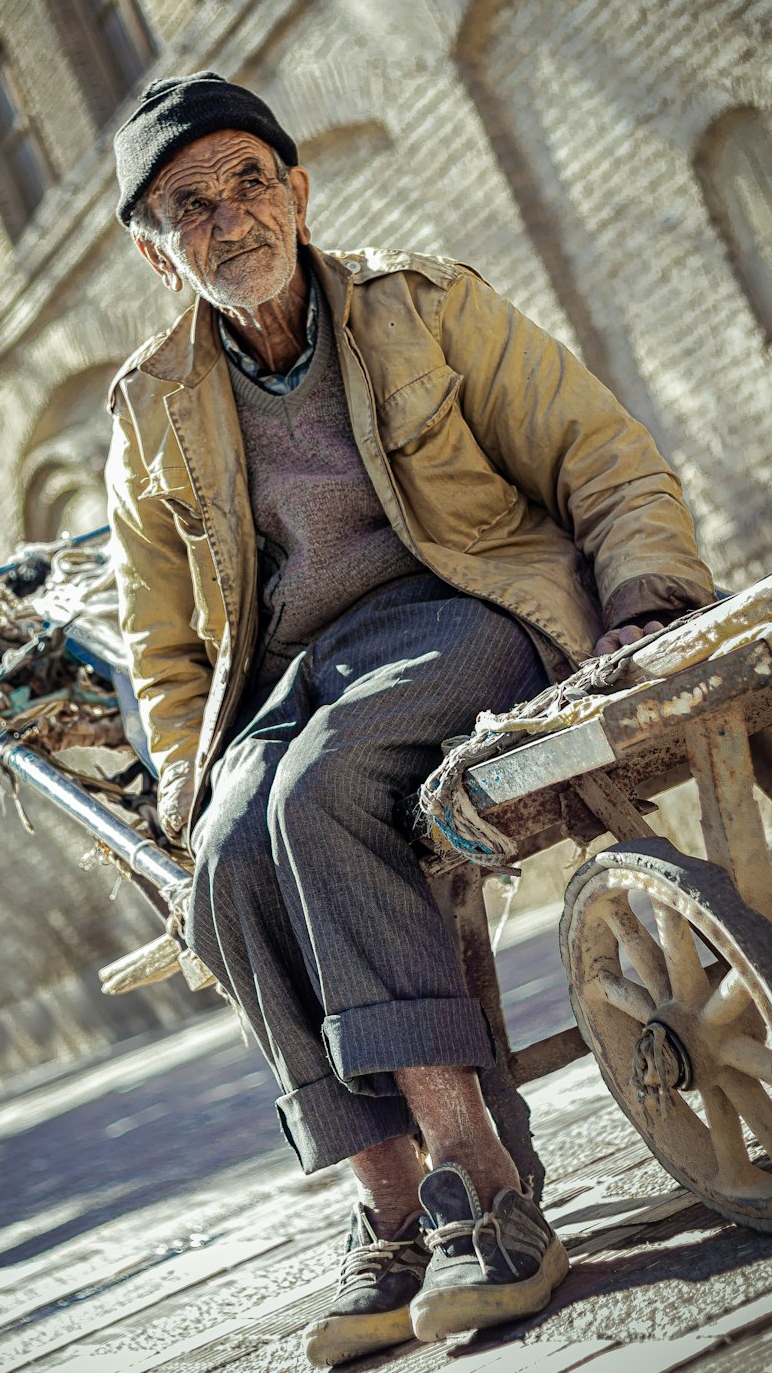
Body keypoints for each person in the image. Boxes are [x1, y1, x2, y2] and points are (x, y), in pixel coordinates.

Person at [105, 72, 714, 1367]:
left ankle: (480, 1181)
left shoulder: (423, 307)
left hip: (469, 605)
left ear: (299, 191)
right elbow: (163, 643)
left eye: (250, 184)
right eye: (190, 208)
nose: (231, 222)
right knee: (222, 852)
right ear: (160, 255)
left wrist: (649, 598)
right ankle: (388, 1209)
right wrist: (180, 768)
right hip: (289, 676)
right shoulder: (146, 410)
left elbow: (595, 453)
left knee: (321, 794)